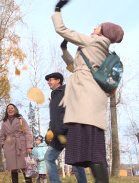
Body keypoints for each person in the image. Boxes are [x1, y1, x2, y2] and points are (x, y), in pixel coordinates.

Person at [52, 1, 124, 182]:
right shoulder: (104, 51)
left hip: (83, 101)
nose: (94, 28)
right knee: (93, 149)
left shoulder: (91, 41)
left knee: (89, 150)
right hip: (93, 102)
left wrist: (57, 9)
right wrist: (64, 50)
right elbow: (76, 67)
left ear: (103, 32)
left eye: (98, 27)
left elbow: (61, 29)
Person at [44, 72, 87, 183]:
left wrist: (68, 126)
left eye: (50, 80)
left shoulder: (67, 91)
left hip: (69, 132)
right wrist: (50, 130)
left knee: (75, 163)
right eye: (48, 81)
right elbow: (54, 117)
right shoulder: (53, 97)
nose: (48, 82)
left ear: (58, 80)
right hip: (57, 135)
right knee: (49, 158)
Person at [0, 104, 33, 183]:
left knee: (24, 167)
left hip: (21, 145)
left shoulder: (21, 119)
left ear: (15, 109)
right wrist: (3, 145)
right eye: (8, 108)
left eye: (12, 108)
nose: (10, 110)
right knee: (13, 168)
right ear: (7, 111)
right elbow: (2, 135)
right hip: (9, 147)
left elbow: (27, 133)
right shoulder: (4, 122)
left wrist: (29, 146)